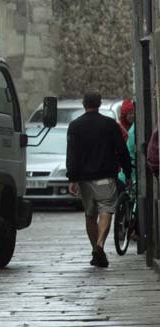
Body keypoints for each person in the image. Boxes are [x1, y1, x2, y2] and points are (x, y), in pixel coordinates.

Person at [67, 91, 131, 268]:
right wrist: (127, 172)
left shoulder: (75, 126)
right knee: (106, 211)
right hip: (106, 177)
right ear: (100, 103)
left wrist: (72, 178)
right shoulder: (110, 124)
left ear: (83, 104)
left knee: (90, 215)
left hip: (84, 179)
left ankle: (95, 249)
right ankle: (100, 245)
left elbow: (71, 154)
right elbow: (122, 150)